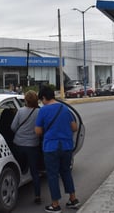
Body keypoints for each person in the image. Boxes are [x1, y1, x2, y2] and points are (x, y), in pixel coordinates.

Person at [35, 85, 80, 213]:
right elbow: (74, 127)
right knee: (66, 172)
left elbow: (38, 131)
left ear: (44, 97)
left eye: (41, 100)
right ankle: (73, 199)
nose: (42, 102)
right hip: (66, 146)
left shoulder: (43, 110)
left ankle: (55, 205)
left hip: (51, 148)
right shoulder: (65, 108)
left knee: (52, 175)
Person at [10, 90, 41, 204]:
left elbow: (13, 127)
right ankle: (37, 195)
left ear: (26, 100)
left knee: (17, 168)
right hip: (33, 145)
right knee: (34, 171)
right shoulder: (39, 112)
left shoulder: (20, 111)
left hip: (18, 144)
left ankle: (15, 192)